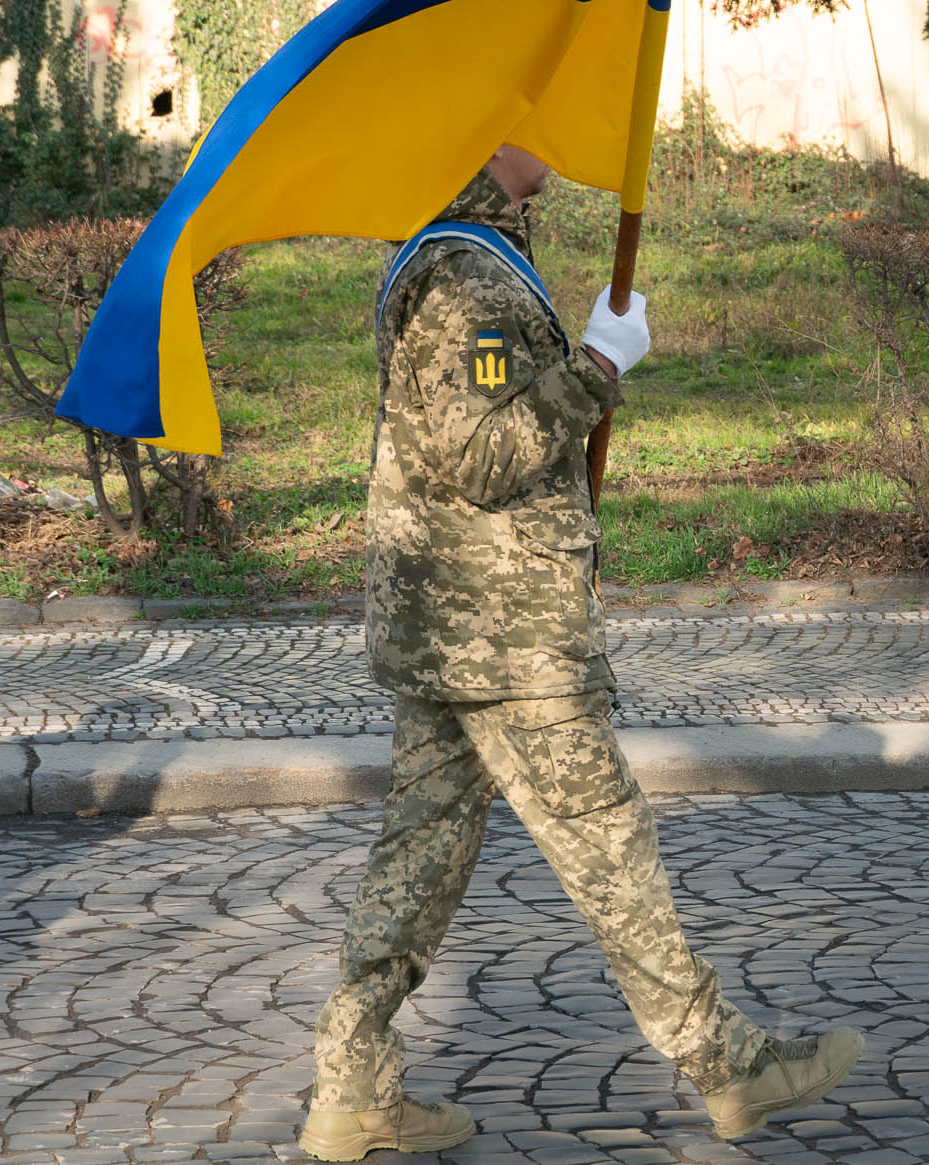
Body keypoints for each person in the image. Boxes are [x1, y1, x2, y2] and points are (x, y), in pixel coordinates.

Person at [300, 145, 861, 1161]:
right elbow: (481, 456)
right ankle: (731, 1069)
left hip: (457, 629)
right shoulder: (468, 279)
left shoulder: (461, 252)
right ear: (492, 137)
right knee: (609, 851)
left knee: (417, 862)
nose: (556, 135)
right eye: (535, 115)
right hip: (505, 639)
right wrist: (594, 371)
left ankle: (350, 1085)